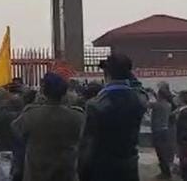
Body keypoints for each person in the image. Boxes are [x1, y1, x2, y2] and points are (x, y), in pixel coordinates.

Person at [84, 53, 147, 181]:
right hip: (129, 164)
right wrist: (126, 73)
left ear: (107, 74)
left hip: (103, 168)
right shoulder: (139, 101)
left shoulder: (95, 105)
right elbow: (139, 88)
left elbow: (89, 145)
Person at [12, 72, 85, 181]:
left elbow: (15, 130)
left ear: (44, 91)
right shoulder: (77, 116)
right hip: (66, 174)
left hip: (36, 174)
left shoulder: (31, 115)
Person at [150, 88, 173, 179]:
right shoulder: (168, 105)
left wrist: (150, 94)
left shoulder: (157, 105)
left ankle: (165, 173)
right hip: (165, 130)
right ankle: (166, 172)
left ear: (160, 95)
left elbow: (147, 104)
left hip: (158, 131)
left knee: (160, 153)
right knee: (164, 152)